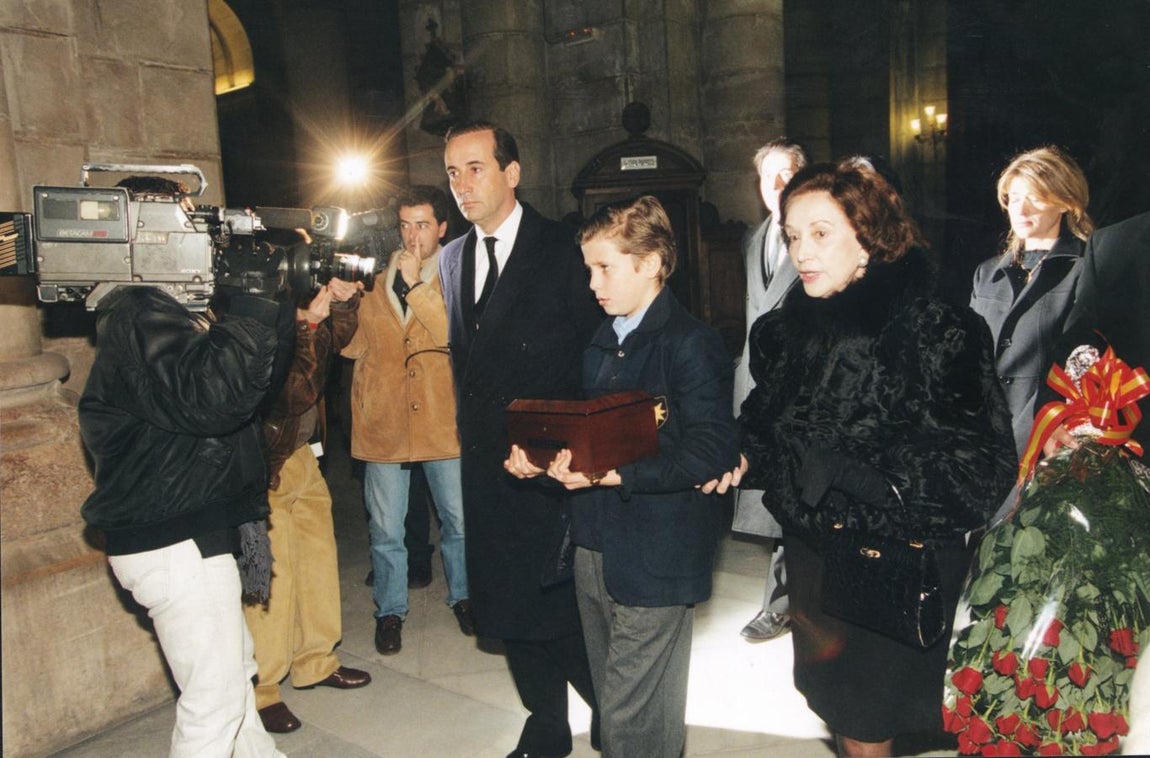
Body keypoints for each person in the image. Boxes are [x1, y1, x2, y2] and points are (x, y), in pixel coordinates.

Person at [739, 160, 1015, 757]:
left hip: (891, 561)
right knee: (841, 708)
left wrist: (860, 478)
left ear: (868, 238)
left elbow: (979, 469)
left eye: (820, 233)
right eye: (791, 235)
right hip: (814, 558)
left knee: (867, 719)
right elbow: (762, 425)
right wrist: (740, 456)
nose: (800, 251)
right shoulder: (787, 334)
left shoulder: (934, 331)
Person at [505, 195, 740, 757]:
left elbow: (709, 450)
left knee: (627, 721)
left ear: (652, 262)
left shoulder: (689, 342)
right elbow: (591, 444)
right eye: (589, 268)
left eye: (604, 267)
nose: (592, 284)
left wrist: (615, 475)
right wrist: (542, 467)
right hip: (594, 546)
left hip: (658, 550)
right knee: (633, 712)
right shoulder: (601, 342)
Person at [78, 178, 289, 758]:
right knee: (213, 706)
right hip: (174, 538)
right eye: (185, 217)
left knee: (233, 688)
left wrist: (267, 297)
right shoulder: (140, 312)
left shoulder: (161, 308)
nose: (197, 232)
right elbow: (213, 399)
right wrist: (247, 301)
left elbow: (252, 386)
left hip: (186, 528)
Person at [440, 121, 602, 758]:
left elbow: (594, 356)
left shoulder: (563, 247)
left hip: (551, 466)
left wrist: (574, 453)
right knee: (507, 605)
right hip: (486, 465)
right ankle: (546, 724)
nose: (462, 185)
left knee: (561, 607)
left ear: (513, 172)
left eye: (475, 168)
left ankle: (621, 720)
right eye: (452, 172)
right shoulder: (452, 257)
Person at [341, 185, 473, 655]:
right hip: (385, 424)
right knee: (386, 530)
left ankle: (465, 597)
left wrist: (417, 286)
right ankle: (390, 611)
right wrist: (341, 304)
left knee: (458, 521)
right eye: (405, 225)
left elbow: (451, 335)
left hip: (443, 422)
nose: (412, 235)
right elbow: (350, 346)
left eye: (423, 225)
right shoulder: (374, 281)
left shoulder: (459, 277)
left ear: (441, 228)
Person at [243, 269, 372, 734]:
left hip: (302, 455)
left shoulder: (290, 311)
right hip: (267, 462)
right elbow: (292, 390)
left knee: (318, 561)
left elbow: (330, 345)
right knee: (272, 575)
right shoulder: (248, 314)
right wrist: (307, 325)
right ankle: (262, 686)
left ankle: (316, 660)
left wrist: (340, 306)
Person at [969, 146, 1094, 456]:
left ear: (1066, 202)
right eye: (1013, 199)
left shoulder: (1084, 270)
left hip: (1044, 439)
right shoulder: (986, 274)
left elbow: (1086, 366)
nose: (1021, 211)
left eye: (1035, 198)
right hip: (979, 441)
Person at [732, 137, 808, 642]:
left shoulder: (816, 236)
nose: (776, 185)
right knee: (771, 500)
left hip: (798, 388)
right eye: (768, 176)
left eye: (786, 175)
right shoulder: (752, 239)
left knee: (795, 500)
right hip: (756, 386)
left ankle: (783, 606)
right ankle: (787, 601)